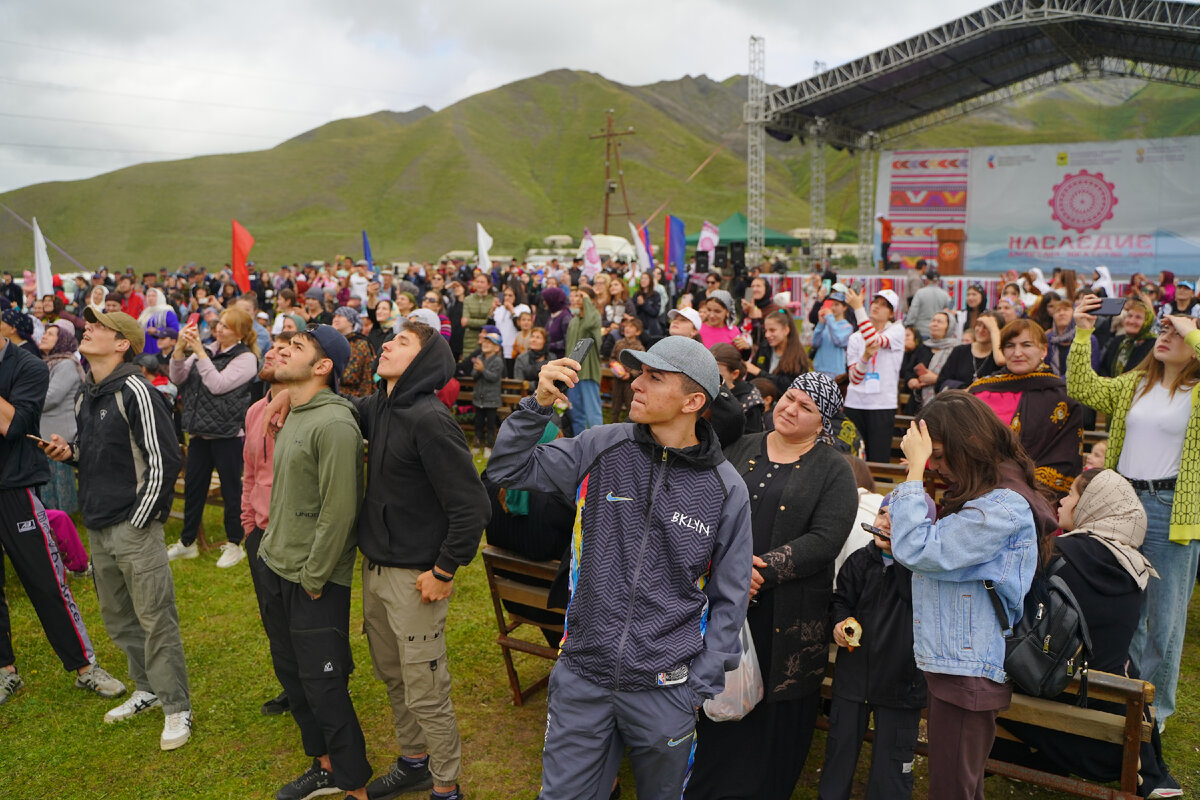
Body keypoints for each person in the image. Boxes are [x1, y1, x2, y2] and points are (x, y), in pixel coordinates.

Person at [488, 336, 752, 800]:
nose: (635, 384)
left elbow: (730, 598)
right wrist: (538, 404)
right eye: (639, 372)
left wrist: (696, 687)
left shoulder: (725, 489)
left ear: (693, 401)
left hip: (665, 688)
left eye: (654, 377)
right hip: (583, 674)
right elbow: (507, 469)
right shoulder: (602, 445)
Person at [688, 371, 857, 800]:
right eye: (789, 398)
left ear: (823, 422)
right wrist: (728, 569)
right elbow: (708, 504)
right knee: (722, 691)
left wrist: (761, 570)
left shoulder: (834, 467)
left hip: (791, 610)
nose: (790, 409)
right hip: (727, 598)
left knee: (774, 708)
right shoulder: (742, 446)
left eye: (806, 407)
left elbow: (827, 537)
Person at [347, 320, 489, 800]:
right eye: (391, 337)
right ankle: (414, 762)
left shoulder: (431, 419)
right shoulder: (381, 407)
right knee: (393, 676)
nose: (386, 344)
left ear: (423, 361)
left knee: (427, 692)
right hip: (377, 570)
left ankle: (446, 787)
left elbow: (473, 506)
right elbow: (345, 408)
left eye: (401, 342)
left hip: (417, 579)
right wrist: (286, 396)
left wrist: (444, 570)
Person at [891, 392, 1055, 800]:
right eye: (932, 458)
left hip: (969, 671)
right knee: (960, 787)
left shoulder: (1003, 506)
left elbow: (920, 550)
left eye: (941, 456)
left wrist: (914, 474)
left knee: (952, 790)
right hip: (958, 665)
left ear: (971, 444)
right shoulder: (990, 497)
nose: (936, 467)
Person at [40, 308, 191, 748]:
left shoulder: (136, 391)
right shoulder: (87, 393)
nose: (88, 329)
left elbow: (165, 461)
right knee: (119, 618)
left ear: (123, 343)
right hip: (100, 526)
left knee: (155, 619)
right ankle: (145, 688)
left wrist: (142, 519)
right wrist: (69, 454)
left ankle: (176, 707)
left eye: (99, 326)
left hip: (133, 526)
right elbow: (93, 452)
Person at [990, 468, 1181, 798]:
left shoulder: (1057, 553)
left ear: (1093, 505)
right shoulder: (1135, 568)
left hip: (1053, 706)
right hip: (1112, 723)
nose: (1063, 499)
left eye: (1072, 494)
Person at [1067, 296, 1200, 730]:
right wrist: (1083, 331)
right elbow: (1082, 386)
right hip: (1123, 502)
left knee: (1165, 618)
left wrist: (1187, 323)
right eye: (1162, 331)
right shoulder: (1134, 384)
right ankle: (1127, 698)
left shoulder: (1196, 392)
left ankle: (1154, 712)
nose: (1165, 336)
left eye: (1175, 334)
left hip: (1170, 508)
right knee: (1129, 608)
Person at [258, 325, 372, 800]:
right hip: (276, 564)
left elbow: (341, 510)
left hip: (314, 579)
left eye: (297, 348)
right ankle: (323, 766)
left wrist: (314, 575)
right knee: (292, 672)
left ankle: (355, 786)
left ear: (323, 367)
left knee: (324, 683)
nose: (284, 352)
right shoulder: (296, 409)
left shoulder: (335, 425)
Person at [0, 319, 126, 707]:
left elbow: (14, 425)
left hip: (14, 487)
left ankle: (85, 668)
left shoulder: (27, 366)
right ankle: (5, 672)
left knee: (45, 582)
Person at [819, 490, 930, 800]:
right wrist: (840, 623)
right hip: (853, 679)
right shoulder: (859, 560)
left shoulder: (923, 572)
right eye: (884, 514)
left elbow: (917, 604)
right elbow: (841, 601)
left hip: (902, 684)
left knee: (892, 767)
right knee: (839, 754)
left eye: (901, 519)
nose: (888, 523)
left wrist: (904, 558)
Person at [167, 307, 259, 567]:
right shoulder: (205, 349)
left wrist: (198, 352)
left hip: (228, 433)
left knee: (232, 490)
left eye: (227, 326)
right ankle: (188, 543)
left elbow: (217, 385)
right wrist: (178, 350)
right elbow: (177, 378)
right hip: (199, 431)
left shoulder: (246, 358)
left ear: (240, 332)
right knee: (194, 488)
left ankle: (235, 543)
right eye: (219, 323)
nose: (219, 329)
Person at [969, 319, 1083, 499]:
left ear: (1044, 350)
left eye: (1026, 345)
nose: (1017, 353)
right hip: (977, 489)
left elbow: (1064, 458)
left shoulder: (1062, 398)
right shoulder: (981, 390)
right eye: (1009, 345)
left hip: (1035, 499)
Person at [240, 332, 293, 717]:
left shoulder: (305, 410)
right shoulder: (256, 409)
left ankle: (322, 681)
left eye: (284, 351)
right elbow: (251, 472)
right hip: (258, 531)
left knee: (303, 618)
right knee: (273, 616)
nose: (271, 353)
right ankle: (291, 686)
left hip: (291, 531)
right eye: (271, 348)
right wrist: (247, 524)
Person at [843, 288, 905, 463]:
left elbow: (873, 340)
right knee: (854, 459)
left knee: (879, 459)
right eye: (875, 302)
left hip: (882, 404)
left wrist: (857, 308)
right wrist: (865, 357)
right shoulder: (855, 338)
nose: (877, 307)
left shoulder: (897, 331)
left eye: (884, 305)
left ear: (892, 313)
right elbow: (854, 378)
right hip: (855, 403)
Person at [37, 321, 85, 513]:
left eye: (51, 334)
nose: (44, 336)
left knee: (61, 480)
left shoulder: (66, 364)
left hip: (60, 433)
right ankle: (52, 516)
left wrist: (25, 402)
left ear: (62, 340)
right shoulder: (48, 363)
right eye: (45, 332)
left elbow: (52, 398)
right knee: (49, 480)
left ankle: (66, 517)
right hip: (47, 429)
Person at [937, 310, 1005, 392]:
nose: (980, 330)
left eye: (986, 327)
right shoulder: (959, 351)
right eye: (978, 325)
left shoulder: (1000, 356)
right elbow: (941, 382)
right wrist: (964, 389)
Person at [745, 309, 810, 393]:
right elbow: (751, 376)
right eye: (765, 330)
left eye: (772, 330)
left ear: (786, 330)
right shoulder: (764, 347)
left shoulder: (798, 357)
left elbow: (789, 386)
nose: (767, 335)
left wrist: (759, 373)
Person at [710, 342, 764, 434]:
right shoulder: (701, 391)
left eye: (717, 376)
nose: (710, 378)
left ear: (735, 374)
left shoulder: (749, 402)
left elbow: (751, 438)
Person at [1099, 296, 1156, 377]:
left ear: (1148, 322)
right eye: (1129, 316)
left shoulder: (1153, 346)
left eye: (1138, 317)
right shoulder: (1118, 341)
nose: (1132, 321)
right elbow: (1102, 367)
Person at [331, 307, 377, 398]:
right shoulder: (332, 341)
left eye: (340, 316)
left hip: (354, 398)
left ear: (351, 322)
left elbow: (350, 376)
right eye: (335, 316)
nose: (336, 319)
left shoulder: (359, 343)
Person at [471, 331, 504, 455]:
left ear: (497, 348)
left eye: (490, 343)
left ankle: (489, 446)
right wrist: (478, 370)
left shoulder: (498, 361)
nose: (486, 344)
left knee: (490, 424)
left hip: (492, 400)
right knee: (478, 422)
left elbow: (494, 377)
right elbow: (473, 376)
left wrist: (482, 369)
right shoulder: (479, 358)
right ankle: (477, 442)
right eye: (485, 342)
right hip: (479, 398)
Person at [608, 317, 644, 423]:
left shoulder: (639, 348)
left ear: (638, 332)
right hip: (617, 380)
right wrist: (614, 366)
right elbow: (612, 357)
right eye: (626, 326)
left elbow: (641, 367)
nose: (627, 328)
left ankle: (631, 430)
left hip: (631, 382)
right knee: (615, 406)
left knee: (631, 406)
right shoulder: (619, 343)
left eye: (631, 327)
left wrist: (630, 374)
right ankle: (613, 429)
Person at [811, 290, 853, 376]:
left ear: (844, 307)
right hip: (819, 369)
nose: (833, 308)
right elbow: (814, 343)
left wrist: (829, 318)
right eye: (831, 305)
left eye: (837, 305)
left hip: (836, 372)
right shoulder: (826, 324)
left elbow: (838, 341)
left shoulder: (847, 327)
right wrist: (820, 324)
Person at [907, 267, 953, 339]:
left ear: (927, 280)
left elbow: (913, 311)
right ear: (938, 281)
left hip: (921, 330)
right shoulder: (945, 294)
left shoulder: (920, 293)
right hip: (937, 331)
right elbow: (950, 311)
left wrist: (908, 324)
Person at [138, 288, 180, 357]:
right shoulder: (145, 312)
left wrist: (157, 331)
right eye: (148, 296)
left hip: (159, 347)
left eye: (153, 296)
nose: (150, 298)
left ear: (160, 297)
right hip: (146, 346)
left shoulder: (167, 311)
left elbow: (175, 330)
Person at [460, 273, 493, 357]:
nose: (479, 284)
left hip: (487, 339)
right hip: (469, 340)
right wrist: (485, 322)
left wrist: (470, 322)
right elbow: (464, 322)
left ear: (488, 285)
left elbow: (491, 323)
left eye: (482, 282)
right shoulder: (468, 299)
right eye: (477, 282)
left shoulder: (493, 300)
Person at [633, 271, 663, 338]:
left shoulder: (655, 295)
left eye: (646, 278)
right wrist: (638, 305)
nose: (643, 280)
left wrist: (644, 304)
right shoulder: (637, 294)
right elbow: (634, 312)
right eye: (642, 278)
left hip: (651, 327)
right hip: (639, 326)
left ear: (650, 281)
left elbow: (655, 312)